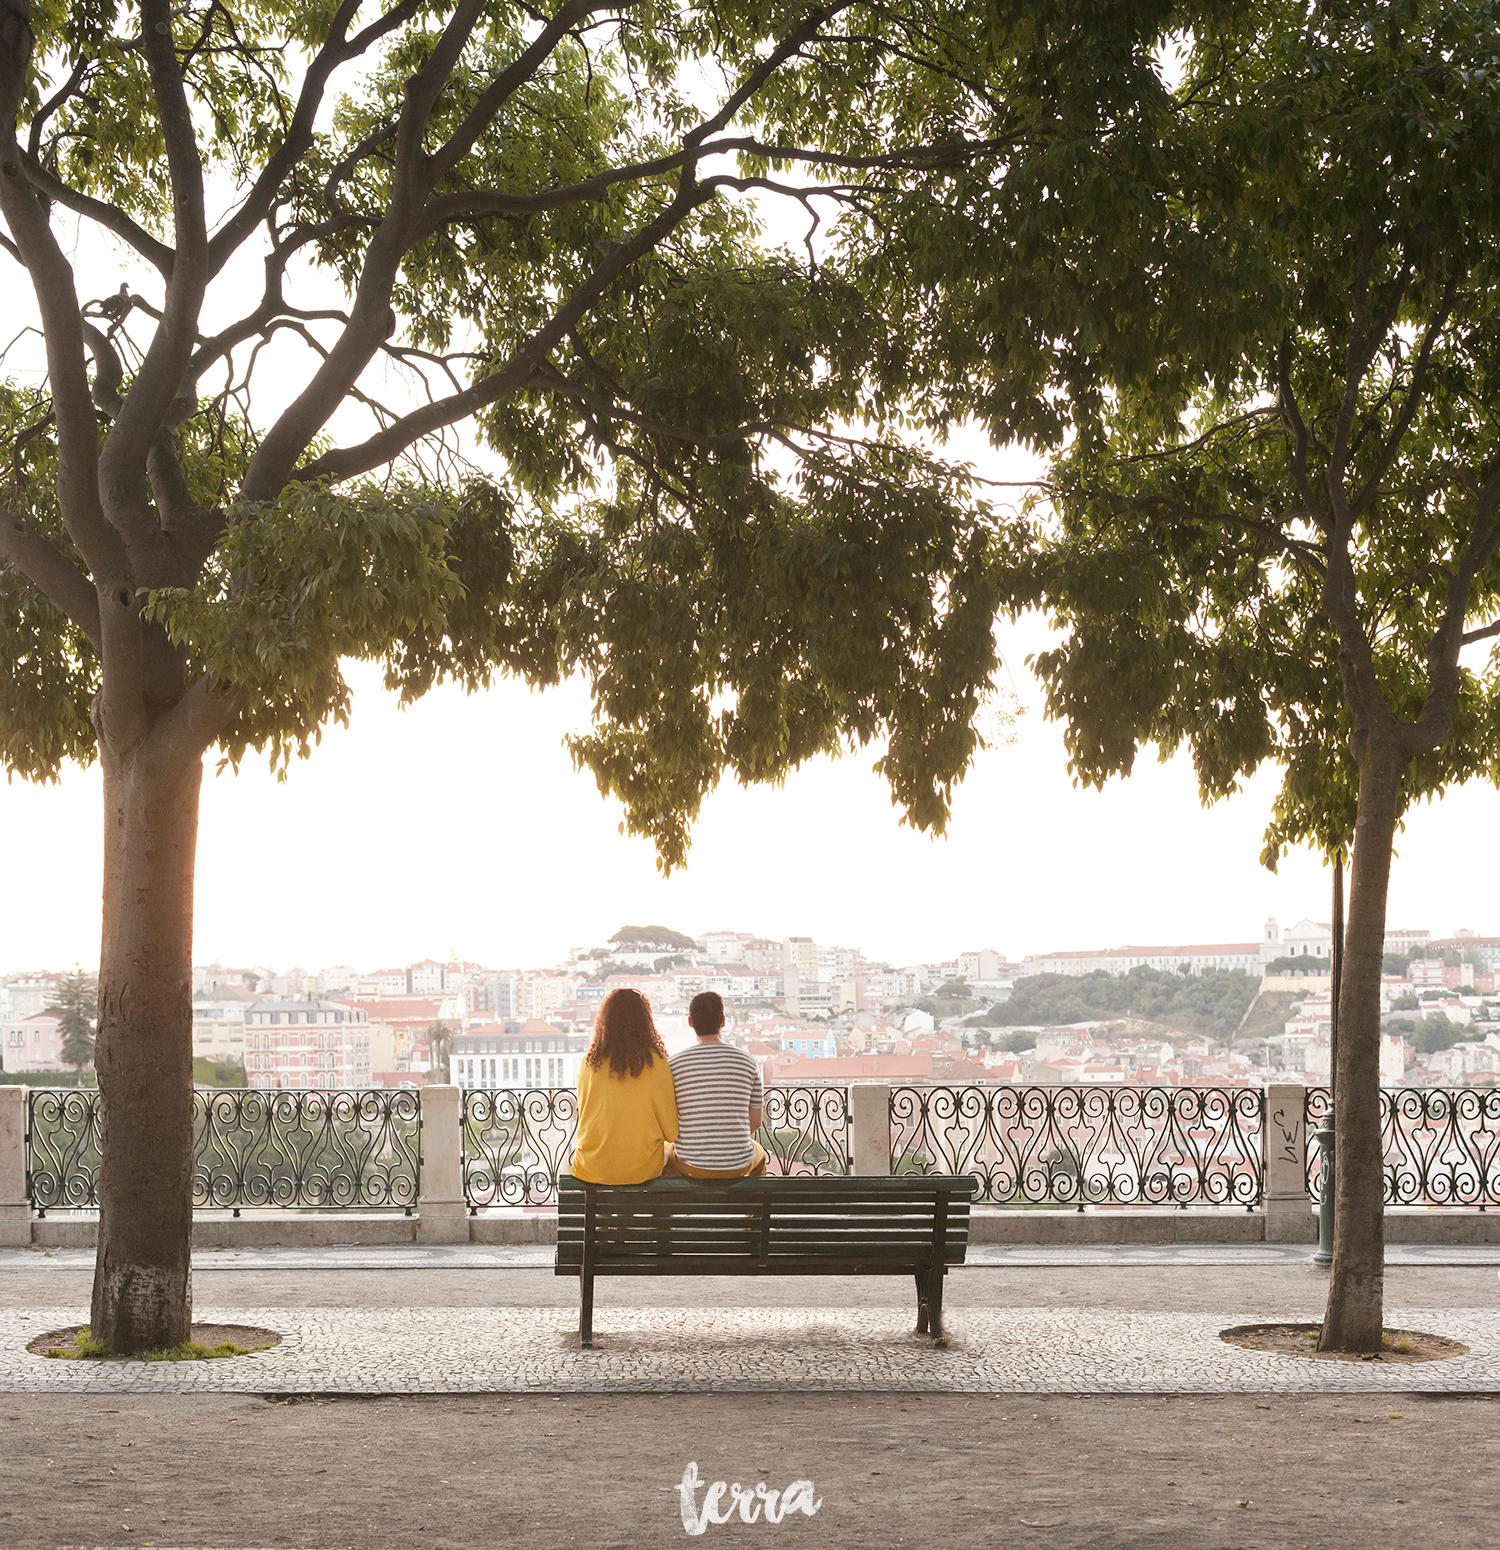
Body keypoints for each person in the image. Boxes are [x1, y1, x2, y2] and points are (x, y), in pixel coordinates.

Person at [570, 988, 679, 1184]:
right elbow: (672, 1132)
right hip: (642, 1170)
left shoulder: (588, 1063)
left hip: (592, 1167)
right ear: (645, 1023)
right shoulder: (657, 1064)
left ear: (605, 1022)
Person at [663, 991, 767, 1178]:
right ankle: (751, 1206)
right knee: (759, 1154)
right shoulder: (748, 1061)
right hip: (738, 1165)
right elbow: (756, 1121)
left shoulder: (673, 1065)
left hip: (690, 1165)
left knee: (666, 1156)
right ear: (723, 1021)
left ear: (690, 1022)